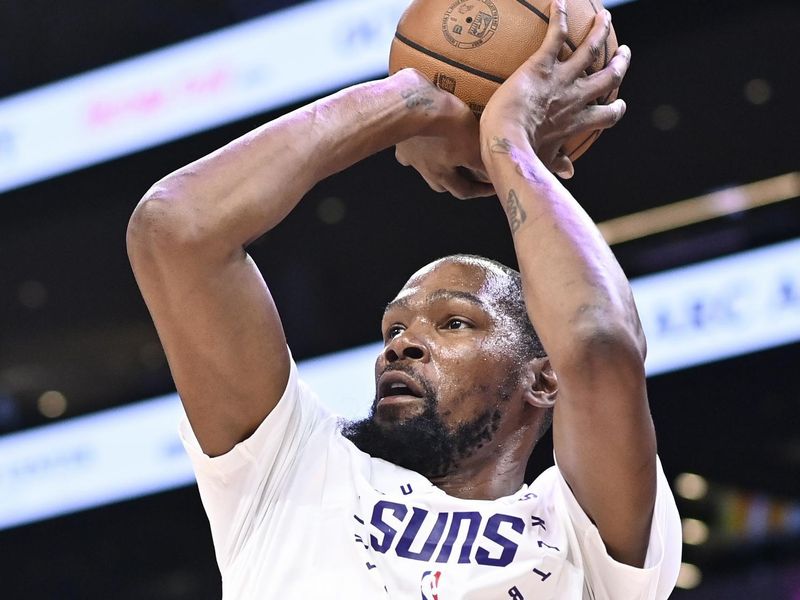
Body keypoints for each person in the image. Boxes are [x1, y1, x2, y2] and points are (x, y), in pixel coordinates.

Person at [127, 2, 681, 598]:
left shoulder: (580, 534)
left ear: (544, 381)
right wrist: (418, 99)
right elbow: (176, 230)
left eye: (454, 323)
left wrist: (508, 141)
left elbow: (600, 343)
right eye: (392, 329)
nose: (404, 344)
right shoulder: (293, 471)